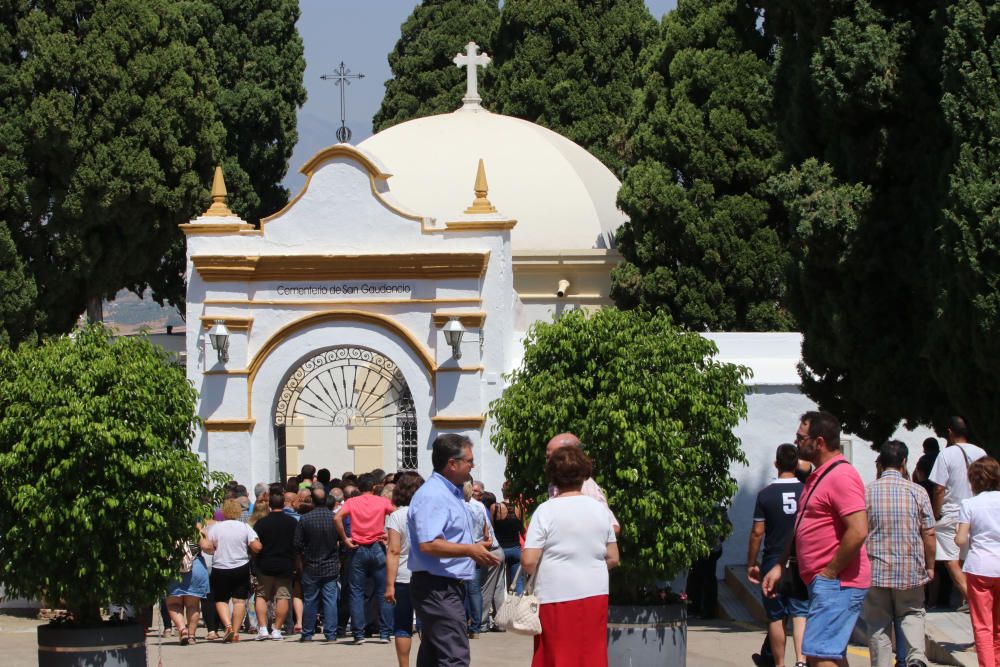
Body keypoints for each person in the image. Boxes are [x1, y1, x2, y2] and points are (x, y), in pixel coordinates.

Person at [763, 411, 870, 667]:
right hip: (825, 582)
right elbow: (802, 524)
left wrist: (830, 572)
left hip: (838, 582)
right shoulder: (819, 476)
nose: (796, 442)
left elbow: (858, 530)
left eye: (801, 438)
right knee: (826, 654)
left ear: (819, 442)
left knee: (819, 655)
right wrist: (780, 564)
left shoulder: (842, 476)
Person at [522, 445, 619, 667]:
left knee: (557, 655)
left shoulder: (546, 511)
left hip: (555, 593)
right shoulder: (600, 510)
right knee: (591, 654)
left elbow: (528, 561)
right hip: (596, 591)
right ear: (584, 474)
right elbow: (613, 557)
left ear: (553, 476)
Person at [408, 434, 500, 667]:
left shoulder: (450, 493)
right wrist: (469, 550)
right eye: (469, 460)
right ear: (452, 463)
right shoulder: (434, 495)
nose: (473, 465)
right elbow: (429, 544)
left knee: (434, 656)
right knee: (454, 657)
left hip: (444, 586)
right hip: (438, 587)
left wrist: (474, 548)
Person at [863, 441, 936, 667]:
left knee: (878, 622)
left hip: (875, 570)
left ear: (881, 463)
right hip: (910, 569)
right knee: (912, 613)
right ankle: (915, 658)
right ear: (904, 462)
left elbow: (857, 530)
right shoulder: (918, 491)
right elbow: (930, 533)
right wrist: (931, 566)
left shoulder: (867, 492)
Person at [747, 444, 808, 667]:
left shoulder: (765, 495)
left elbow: (757, 532)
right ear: (796, 464)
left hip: (773, 559)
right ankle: (801, 661)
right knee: (801, 612)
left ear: (776, 464)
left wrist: (751, 562)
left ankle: (779, 664)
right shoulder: (806, 491)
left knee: (775, 616)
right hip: (801, 559)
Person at [928, 416, 987, 610]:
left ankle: (974, 601)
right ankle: (970, 600)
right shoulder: (981, 452)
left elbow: (938, 488)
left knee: (950, 561)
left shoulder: (946, 454)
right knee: (969, 559)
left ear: (950, 432)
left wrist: (936, 514)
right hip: (977, 512)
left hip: (952, 513)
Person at [334, 472, 396, 644]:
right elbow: (398, 513)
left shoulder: (352, 502)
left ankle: (358, 633)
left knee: (356, 592)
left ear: (359, 487)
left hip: (358, 547)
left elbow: (337, 517)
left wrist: (345, 538)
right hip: (377, 546)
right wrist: (389, 534)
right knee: (384, 590)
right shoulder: (382, 501)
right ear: (374, 487)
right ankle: (385, 632)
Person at [955, 456, 1000, 667]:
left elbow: (961, 539)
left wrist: (958, 533)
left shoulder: (969, 504)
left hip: (979, 567)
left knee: (983, 625)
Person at [201, 498, 262, 643]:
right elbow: (257, 547)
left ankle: (227, 625)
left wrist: (214, 549)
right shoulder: (244, 527)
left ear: (223, 511)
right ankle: (235, 632)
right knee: (239, 601)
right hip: (241, 566)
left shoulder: (216, 528)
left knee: (221, 599)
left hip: (220, 567)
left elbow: (207, 547)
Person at [385, 471, 425, 667]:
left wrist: (389, 584)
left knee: (402, 625)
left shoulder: (396, 516)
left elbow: (393, 551)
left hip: (402, 576)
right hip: (426, 574)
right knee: (427, 624)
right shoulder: (427, 513)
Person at [545, 433, 620, 534]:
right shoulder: (554, 485)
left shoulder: (584, 485)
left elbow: (613, 527)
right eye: (547, 457)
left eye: (552, 457)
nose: (548, 462)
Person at [294, 486, 342, 643]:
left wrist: (303, 558)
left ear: (313, 501)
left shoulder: (305, 519)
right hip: (331, 564)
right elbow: (342, 541)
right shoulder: (334, 518)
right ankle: (331, 634)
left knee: (310, 600)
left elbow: (297, 544)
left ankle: (307, 633)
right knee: (330, 600)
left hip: (311, 564)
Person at [251, 491, 298, 641]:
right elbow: (296, 545)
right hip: (285, 564)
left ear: (269, 505)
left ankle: (263, 629)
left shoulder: (261, 523)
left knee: (262, 596)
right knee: (283, 596)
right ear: (283, 503)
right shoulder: (292, 522)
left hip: (265, 564)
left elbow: (255, 545)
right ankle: (277, 630)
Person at [165, 523, 210, 645]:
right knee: (193, 605)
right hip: (195, 567)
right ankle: (191, 636)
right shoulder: (195, 527)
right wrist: (203, 533)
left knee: (173, 603)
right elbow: (208, 547)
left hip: (172, 568)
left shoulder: (165, 525)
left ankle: (182, 629)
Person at [492, 495, 525, 594]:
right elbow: (522, 528)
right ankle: (517, 607)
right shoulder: (520, 507)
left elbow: (492, 528)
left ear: (503, 492)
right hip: (516, 549)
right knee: (518, 582)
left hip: (500, 549)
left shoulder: (495, 507)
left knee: (499, 583)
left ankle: (502, 608)